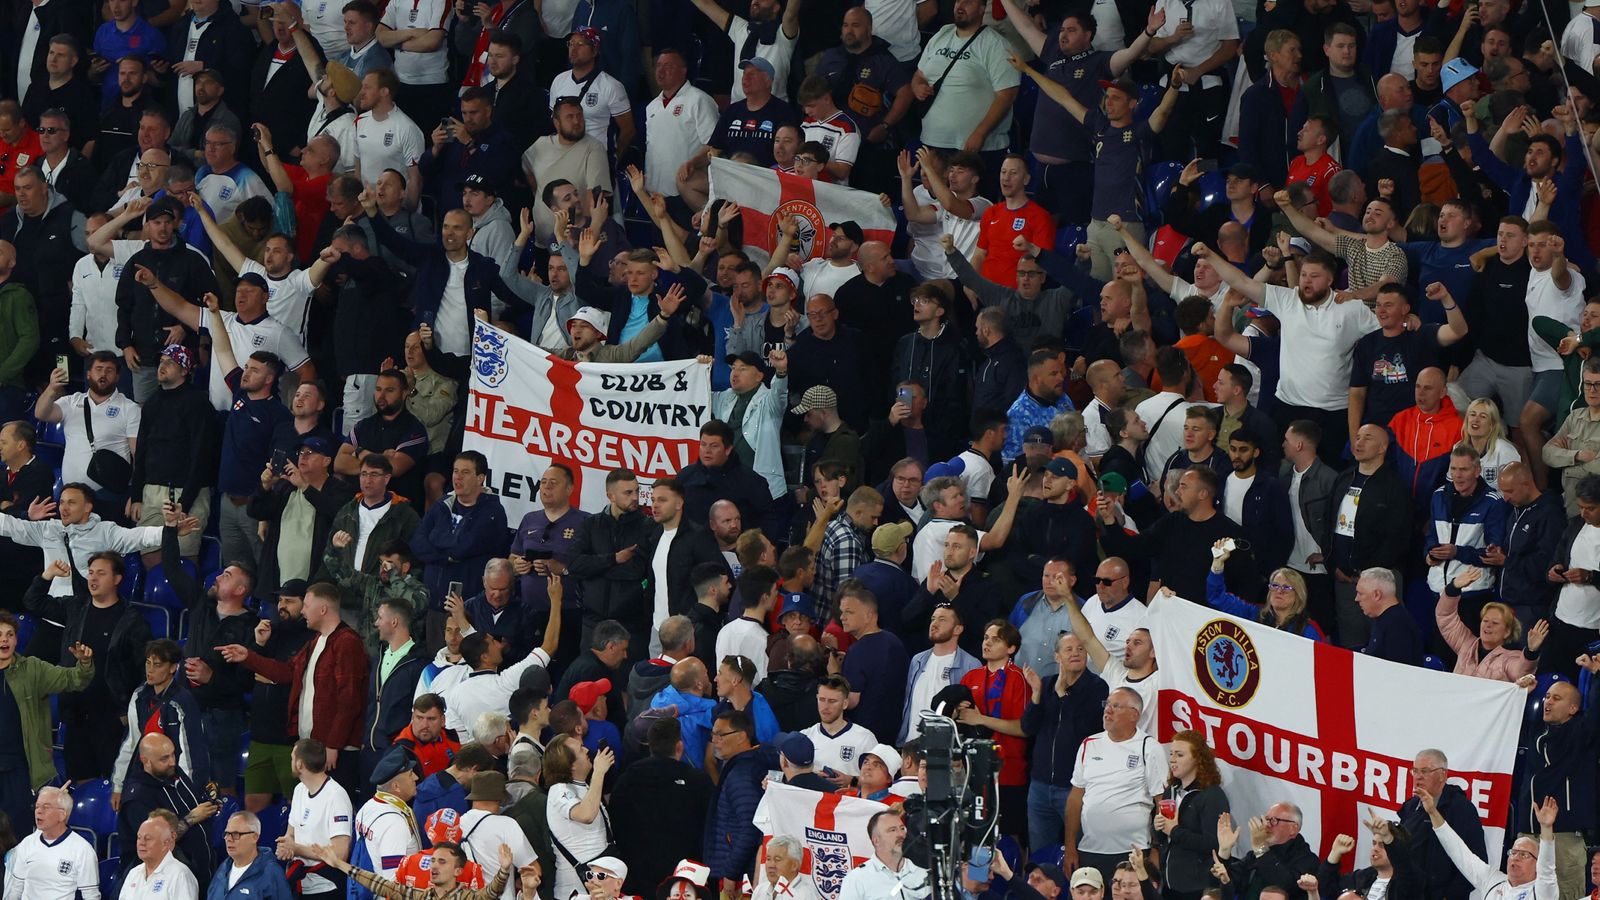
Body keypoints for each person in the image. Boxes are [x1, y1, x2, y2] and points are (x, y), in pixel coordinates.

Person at [1064, 687, 1166, 884]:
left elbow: (1162, 802)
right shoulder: (1089, 744)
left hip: (1134, 851)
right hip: (1090, 849)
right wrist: (1070, 846)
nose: (1107, 710)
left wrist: (1156, 849)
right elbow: (1075, 799)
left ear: (1134, 715)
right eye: (1107, 704)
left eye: (1116, 706)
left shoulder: (1149, 747)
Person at [1326, 425, 1414, 648]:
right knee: (1351, 645)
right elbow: (1328, 523)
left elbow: (1398, 537)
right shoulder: (1344, 478)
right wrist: (1332, 563)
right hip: (1344, 580)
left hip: (1379, 581)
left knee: (1385, 643)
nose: (1359, 442)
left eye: (1367, 438)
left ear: (1383, 447)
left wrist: (1368, 574)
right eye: (1357, 437)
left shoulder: (1394, 486)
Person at [1021, 632, 1106, 851]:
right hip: (1039, 786)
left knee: (1077, 853)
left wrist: (1063, 696)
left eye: (1080, 649)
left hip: (1075, 789)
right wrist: (1037, 694)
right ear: (1057, 656)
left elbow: (1087, 731)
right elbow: (1027, 727)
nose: (1076, 653)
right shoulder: (1047, 684)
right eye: (1068, 649)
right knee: (1040, 854)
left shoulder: (1098, 687)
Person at [608, 718, 712, 895]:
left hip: (639, 874)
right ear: (679, 747)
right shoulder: (698, 781)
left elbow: (616, 821)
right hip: (685, 878)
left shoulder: (627, 779)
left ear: (650, 746)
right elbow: (709, 827)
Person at [1420, 789, 1559, 900]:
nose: (1516, 857)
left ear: (1537, 864)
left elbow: (1547, 869)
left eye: (1524, 854)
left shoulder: (1542, 892)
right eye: (1513, 852)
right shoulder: (1493, 880)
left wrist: (1546, 828)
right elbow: (1459, 852)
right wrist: (1433, 812)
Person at [1394, 748, 1488, 900]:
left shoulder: (1461, 809)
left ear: (1442, 775)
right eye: (1415, 771)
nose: (1418, 777)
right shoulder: (1410, 807)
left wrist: (1450, 896)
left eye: (1425, 771)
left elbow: (1477, 859)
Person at [309, 837, 516, 899]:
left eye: (442, 862)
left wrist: (504, 870)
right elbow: (379, 884)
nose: (434, 865)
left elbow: (491, 893)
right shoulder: (420, 896)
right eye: (433, 860)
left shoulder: (468, 898)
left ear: (458, 871)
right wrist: (338, 864)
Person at [1206, 542, 1324, 640]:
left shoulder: (1307, 630)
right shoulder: (1253, 615)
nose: (1279, 591)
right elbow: (1217, 598)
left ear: (1299, 595)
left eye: (1286, 587)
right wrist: (1218, 563)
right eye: (1275, 586)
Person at [4, 787, 100, 900]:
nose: (39, 811)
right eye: (37, 806)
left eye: (46, 807)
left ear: (62, 814)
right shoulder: (27, 844)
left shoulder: (82, 849)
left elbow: (91, 895)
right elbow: (15, 888)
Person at [836, 811, 930, 900]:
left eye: (902, 828)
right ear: (876, 841)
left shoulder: (924, 869)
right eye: (892, 830)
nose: (901, 834)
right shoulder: (857, 879)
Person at [209, 810, 294, 899]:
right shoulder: (222, 870)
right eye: (227, 834)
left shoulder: (271, 873)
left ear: (254, 837)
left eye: (236, 834)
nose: (229, 839)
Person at [122, 810, 201, 900]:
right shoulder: (133, 873)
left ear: (166, 843)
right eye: (139, 838)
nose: (141, 843)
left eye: (148, 838)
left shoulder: (180, 875)